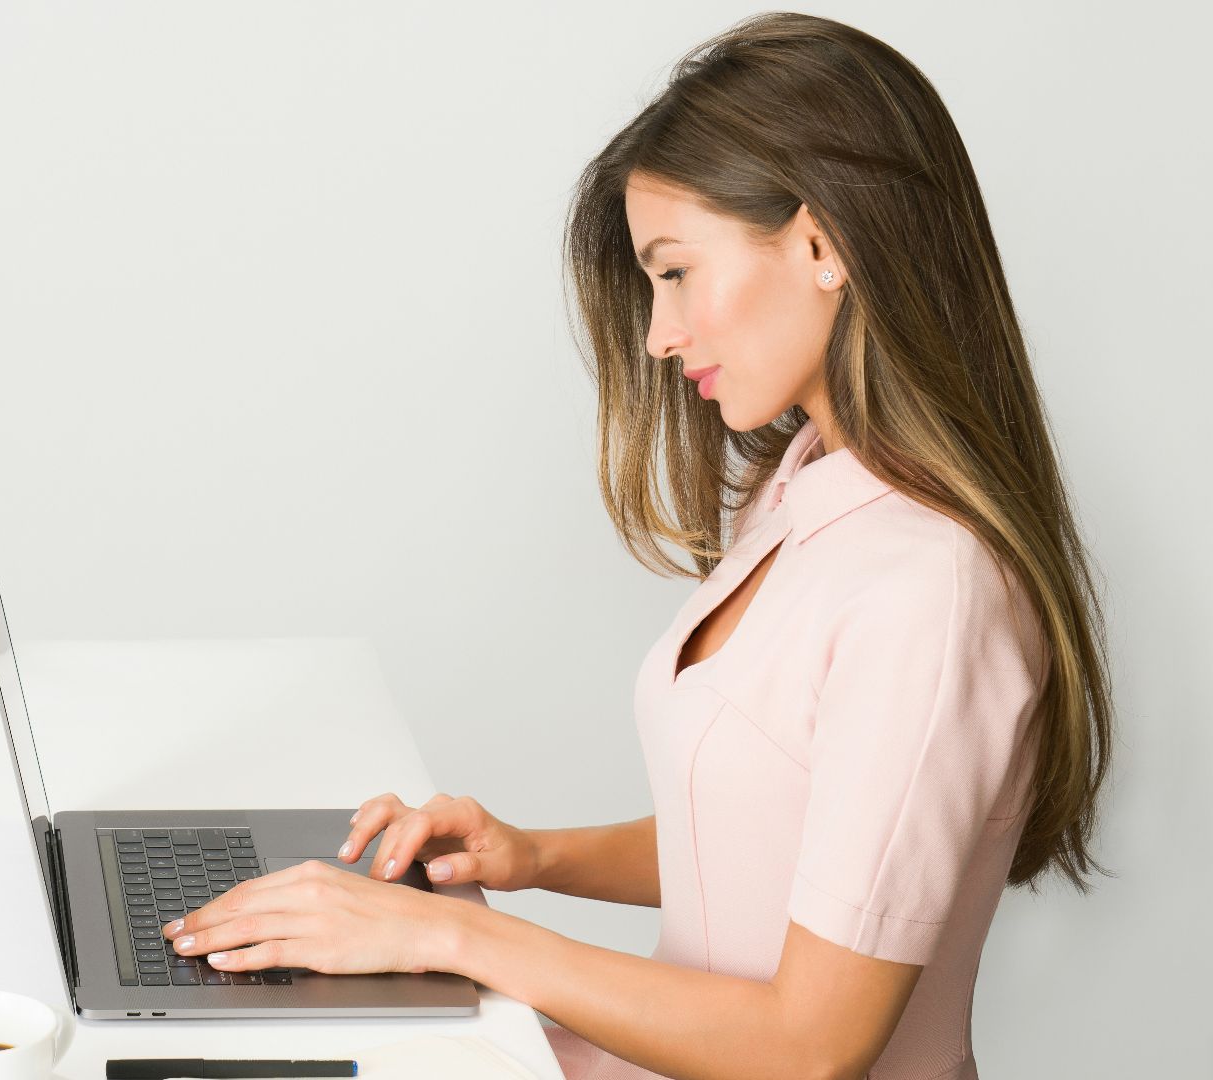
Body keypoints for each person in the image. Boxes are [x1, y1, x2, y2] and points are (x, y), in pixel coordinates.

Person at [159, 12, 1114, 1079]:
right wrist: (528, 856)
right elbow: (771, 838)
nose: (660, 336)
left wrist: (448, 937)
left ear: (823, 245)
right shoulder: (799, 494)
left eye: (675, 272)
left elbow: (813, 1048)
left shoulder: (929, 590)